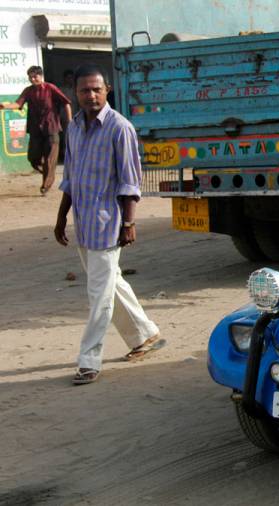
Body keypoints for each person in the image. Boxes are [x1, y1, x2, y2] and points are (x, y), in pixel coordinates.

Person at [53, 64, 162, 385]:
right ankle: (144, 332)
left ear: (107, 90)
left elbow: (130, 182)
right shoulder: (73, 127)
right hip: (83, 222)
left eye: (96, 89)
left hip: (108, 224)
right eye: (85, 90)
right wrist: (61, 217)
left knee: (98, 294)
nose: (91, 95)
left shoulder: (120, 128)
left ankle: (89, 359)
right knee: (110, 282)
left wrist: (129, 222)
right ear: (76, 92)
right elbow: (70, 178)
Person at [0, 66, 72, 195]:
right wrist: (4, 106)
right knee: (33, 158)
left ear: (41, 76)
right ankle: (46, 171)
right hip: (35, 129)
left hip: (51, 128)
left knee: (50, 159)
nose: (33, 79)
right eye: (30, 77)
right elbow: (18, 104)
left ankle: (46, 185)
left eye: (35, 76)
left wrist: (69, 121)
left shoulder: (51, 88)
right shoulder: (28, 91)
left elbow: (66, 102)